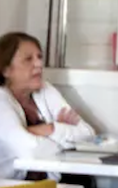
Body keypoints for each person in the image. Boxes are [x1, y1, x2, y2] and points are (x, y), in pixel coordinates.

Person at [0, 32, 96, 181]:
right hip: (13, 183)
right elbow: (32, 151)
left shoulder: (45, 89)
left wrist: (50, 128)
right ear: (6, 70)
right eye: (28, 59)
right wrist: (63, 133)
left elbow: (87, 134)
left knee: (83, 179)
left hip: (49, 178)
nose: (39, 64)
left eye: (39, 57)